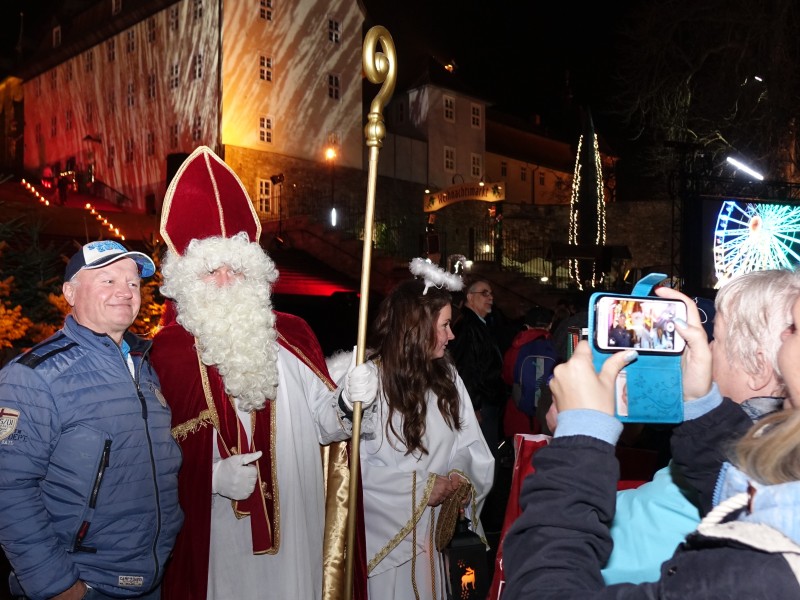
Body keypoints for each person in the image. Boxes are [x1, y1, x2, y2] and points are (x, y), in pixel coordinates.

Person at [149, 147, 375, 600]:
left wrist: (350, 401)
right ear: (185, 278)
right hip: (217, 540)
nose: (227, 280)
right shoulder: (166, 354)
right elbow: (146, 458)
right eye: (213, 269)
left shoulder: (292, 337)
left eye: (238, 267)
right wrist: (208, 479)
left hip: (297, 530)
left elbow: (326, 425)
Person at [502, 283, 800, 598]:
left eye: (794, 329)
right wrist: (699, 404)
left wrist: (581, 437)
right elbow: (744, 491)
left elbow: (544, 589)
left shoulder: (758, 574)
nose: (782, 344)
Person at [0, 240, 183, 600]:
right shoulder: (32, 377)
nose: (125, 292)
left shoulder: (144, 367)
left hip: (152, 578)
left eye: (133, 283)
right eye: (107, 280)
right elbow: (9, 489)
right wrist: (58, 586)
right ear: (70, 292)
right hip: (84, 584)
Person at [603, 268, 800, 584]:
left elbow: (594, 560)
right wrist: (697, 403)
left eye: (716, 340)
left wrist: (582, 436)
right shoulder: (741, 451)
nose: (705, 350)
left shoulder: (748, 477)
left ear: (758, 367)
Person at [332, 259, 494, 600]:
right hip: (385, 550)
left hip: (430, 543)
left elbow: (469, 445)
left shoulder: (447, 378)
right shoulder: (367, 380)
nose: (451, 335)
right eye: (445, 325)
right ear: (416, 327)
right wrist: (419, 489)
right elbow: (347, 472)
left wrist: (460, 478)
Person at [449, 275, 506, 456]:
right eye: (484, 293)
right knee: (483, 458)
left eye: (491, 293)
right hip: (480, 404)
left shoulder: (479, 324)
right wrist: (473, 406)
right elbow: (465, 368)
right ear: (470, 297)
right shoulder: (467, 326)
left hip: (486, 401)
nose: (490, 298)